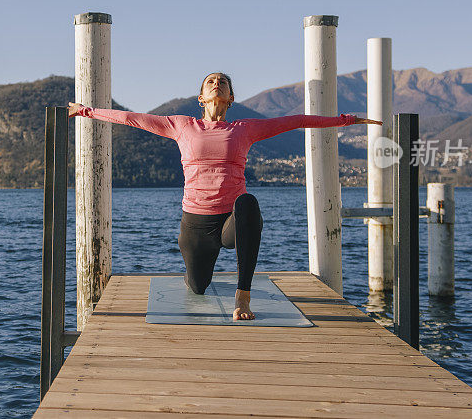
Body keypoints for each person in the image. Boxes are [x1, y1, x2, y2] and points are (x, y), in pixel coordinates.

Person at [68, 72, 382, 320]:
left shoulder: (245, 128)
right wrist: (84, 111)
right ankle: (197, 276)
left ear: (230, 97)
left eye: (223, 82)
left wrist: (345, 120)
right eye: (211, 82)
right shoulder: (181, 126)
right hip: (196, 227)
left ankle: (242, 295)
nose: (217, 84)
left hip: (233, 220)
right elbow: (131, 118)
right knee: (198, 288)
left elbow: (297, 121)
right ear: (201, 97)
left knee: (247, 202)